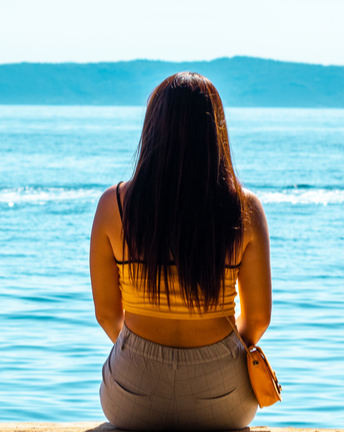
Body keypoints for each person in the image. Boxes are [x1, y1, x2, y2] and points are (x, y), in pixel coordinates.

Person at [90, 72, 273, 431]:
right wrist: (214, 353)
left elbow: (106, 313)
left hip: (132, 395)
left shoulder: (113, 206)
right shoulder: (245, 208)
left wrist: (142, 352)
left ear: (152, 128)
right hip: (222, 399)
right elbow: (258, 320)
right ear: (215, 133)